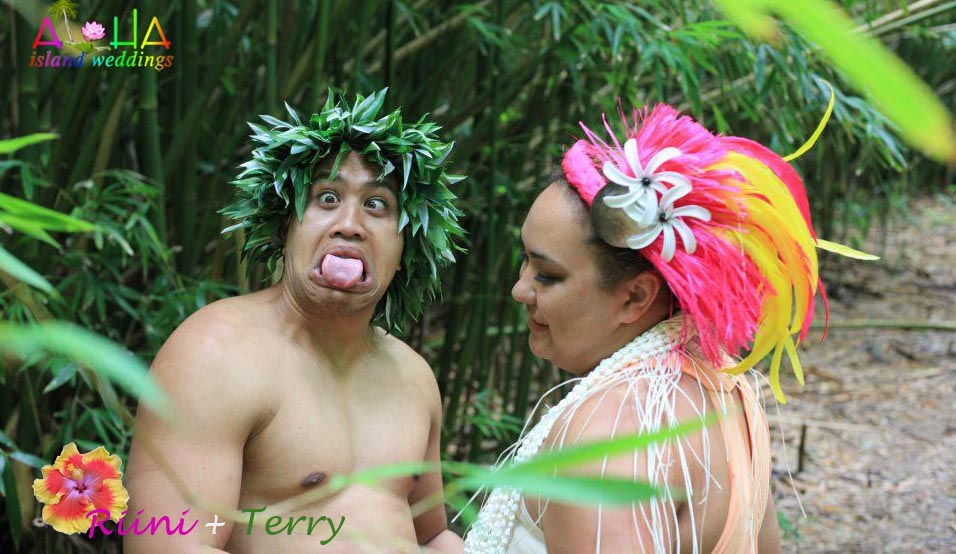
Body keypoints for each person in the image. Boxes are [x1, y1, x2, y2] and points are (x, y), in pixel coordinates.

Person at [462, 103, 867, 553]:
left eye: (547, 275)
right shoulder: (728, 395)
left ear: (635, 297)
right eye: (525, 260)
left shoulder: (605, 440)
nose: (520, 290)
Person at [125, 89, 466, 554]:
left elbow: (432, 536)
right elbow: (165, 547)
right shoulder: (215, 354)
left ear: (405, 249)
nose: (349, 223)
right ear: (287, 226)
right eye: (327, 198)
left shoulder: (413, 377)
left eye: (377, 205)